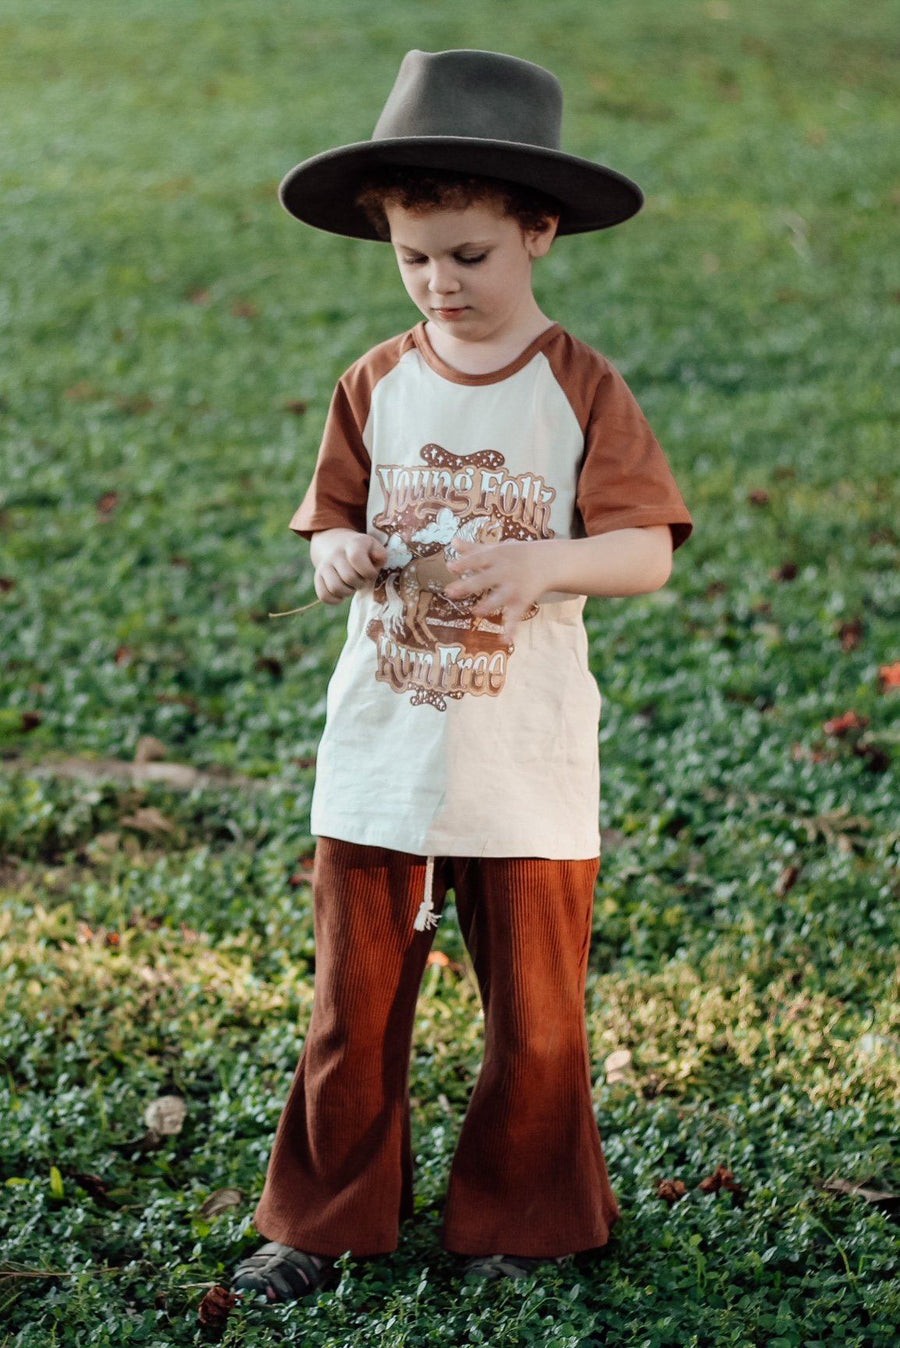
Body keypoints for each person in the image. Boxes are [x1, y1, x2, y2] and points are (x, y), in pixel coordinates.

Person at [232, 48, 693, 1302]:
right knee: (351, 1011)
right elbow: (327, 518)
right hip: (382, 749)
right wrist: (338, 552)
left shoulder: (578, 388)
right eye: (414, 256)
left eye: (470, 256)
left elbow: (646, 550)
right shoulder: (376, 383)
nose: (441, 283)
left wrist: (547, 563)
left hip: (523, 760)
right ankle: (322, 1225)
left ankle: (521, 1222)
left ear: (538, 232)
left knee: (536, 1019)